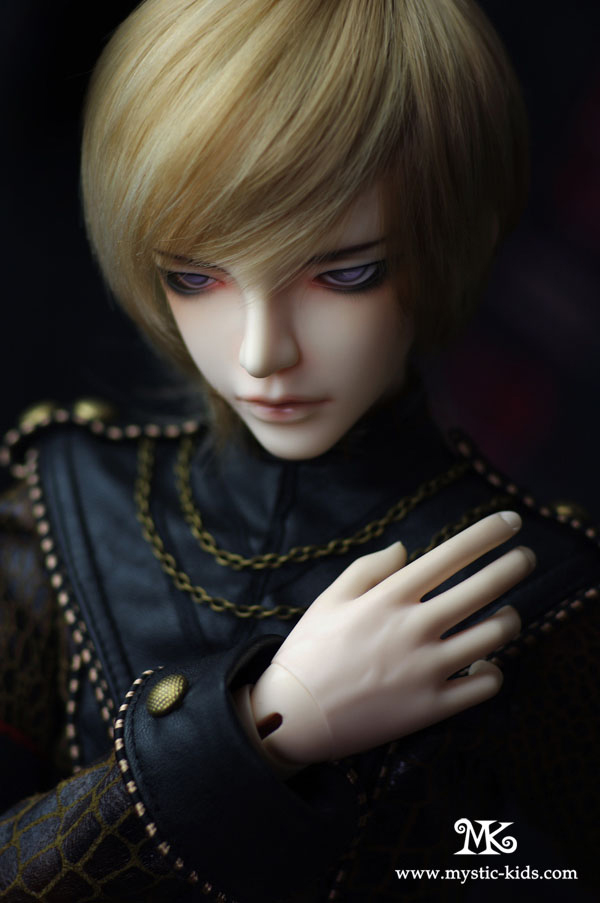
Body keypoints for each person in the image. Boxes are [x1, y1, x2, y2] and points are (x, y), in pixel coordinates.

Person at [0, 1, 598, 900]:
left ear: (447, 240)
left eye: (344, 272)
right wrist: (266, 723)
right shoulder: (58, 508)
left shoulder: (554, 595)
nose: (260, 353)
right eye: (194, 277)